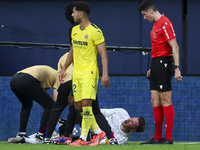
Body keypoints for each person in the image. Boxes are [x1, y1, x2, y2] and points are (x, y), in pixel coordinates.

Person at [59, 1, 110, 146]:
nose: (72, 14)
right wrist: (63, 69)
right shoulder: (74, 30)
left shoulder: (96, 31)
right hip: (77, 74)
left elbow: (103, 54)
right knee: (79, 107)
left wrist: (105, 74)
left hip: (90, 73)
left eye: (74, 12)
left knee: (87, 105)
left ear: (81, 14)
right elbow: (72, 51)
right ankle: (99, 132)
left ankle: (82, 138)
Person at [138, 0, 182, 145]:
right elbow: (157, 48)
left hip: (165, 64)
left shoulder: (165, 23)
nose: (144, 18)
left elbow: (175, 47)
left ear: (151, 11)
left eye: (145, 15)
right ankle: (157, 137)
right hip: (156, 64)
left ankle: (168, 138)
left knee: (165, 100)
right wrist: (153, 68)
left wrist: (176, 68)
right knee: (154, 100)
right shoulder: (155, 25)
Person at [8, 65, 58, 143]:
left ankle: (21, 133)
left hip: (14, 80)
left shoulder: (49, 76)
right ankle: (41, 134)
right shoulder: (60, 77)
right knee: (51, 105)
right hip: (27, 80)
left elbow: (45, 103)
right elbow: (54, 105)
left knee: (27, 105)